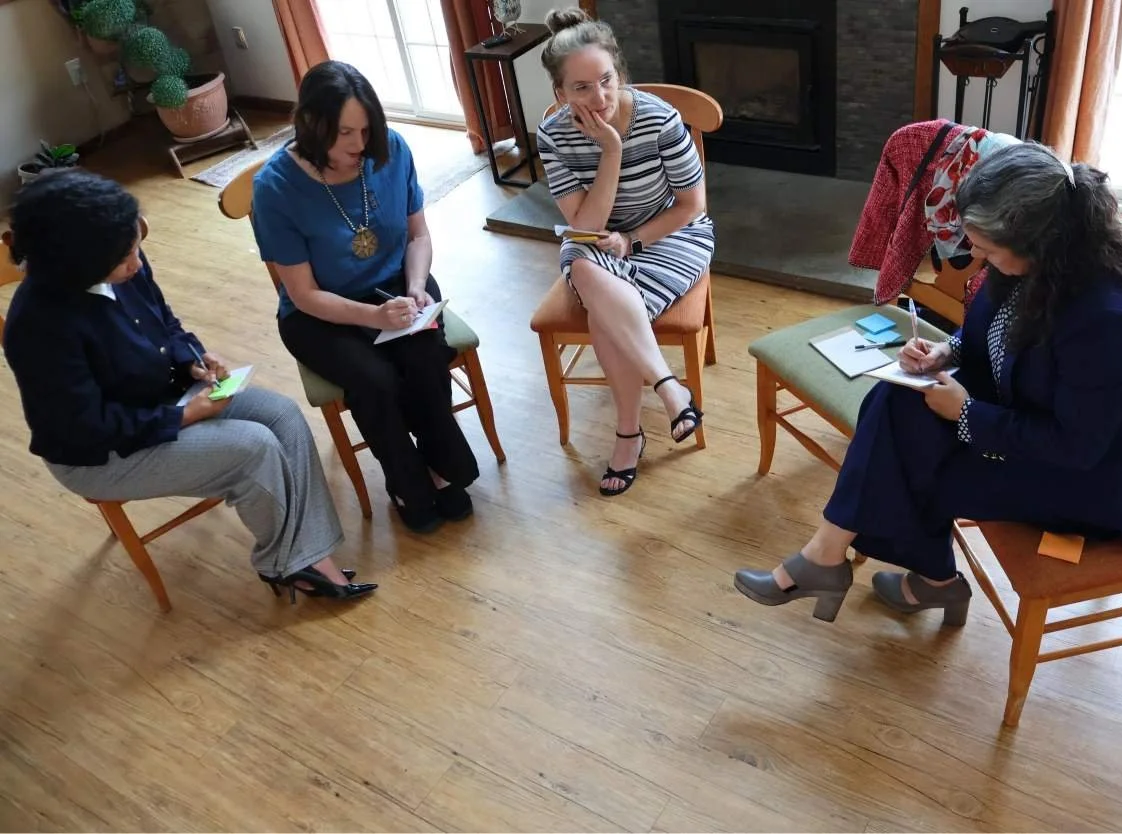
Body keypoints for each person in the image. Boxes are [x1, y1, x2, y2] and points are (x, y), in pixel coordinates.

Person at [734, 143, 1122, 626]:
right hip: (1034, 413)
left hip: (1098, 482)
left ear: (1042, 241)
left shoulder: (1108, 319)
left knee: (918, 474)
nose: (977, 256)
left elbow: (1077, 447)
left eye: (988, 250)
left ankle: (916, 578)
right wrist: (946, 351)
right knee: (896, 397)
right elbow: (990, 330)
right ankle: (837, 558)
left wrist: (968, 414)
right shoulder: (1038, 265)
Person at [2, 170, 375, 604]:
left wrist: (193, 358)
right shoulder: (39, 328)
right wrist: (183, 415)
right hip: (102, 453)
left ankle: (305, 555)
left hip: (162, 396)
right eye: (124, 258)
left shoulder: (119, 261)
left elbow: (165, 322)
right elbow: (85, 429)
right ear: (76, 263)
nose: (137, 264)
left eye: (135, 248)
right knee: (253, 448)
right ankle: (290, 563)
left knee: (283, 415)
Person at [251, 60, 480, 534]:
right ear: (311, 125)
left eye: (365, 129)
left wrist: (415, 288)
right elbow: (304, 293)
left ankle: (442, 466)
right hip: (320, 312)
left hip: (398, 285)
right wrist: (375, 317)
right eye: (344, 134)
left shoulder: (391, 149)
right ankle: (407, 481)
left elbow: (418, 236)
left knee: (421, 358)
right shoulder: (275, 187)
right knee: (373, 380)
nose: (359, 145)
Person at [536, 7, 715, 497]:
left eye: (607, 81)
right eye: (581, 88)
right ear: (560, 94)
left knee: (601, 311)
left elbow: (691, 205)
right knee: (591, 274)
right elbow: (587, 227)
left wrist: (634, 241)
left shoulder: (660, 119)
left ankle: (629, 435)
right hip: (597, 244)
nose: (600, 98)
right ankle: (668, 387)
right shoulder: (553, 135)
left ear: (620, 74)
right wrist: (611, 152)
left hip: (671, 234)